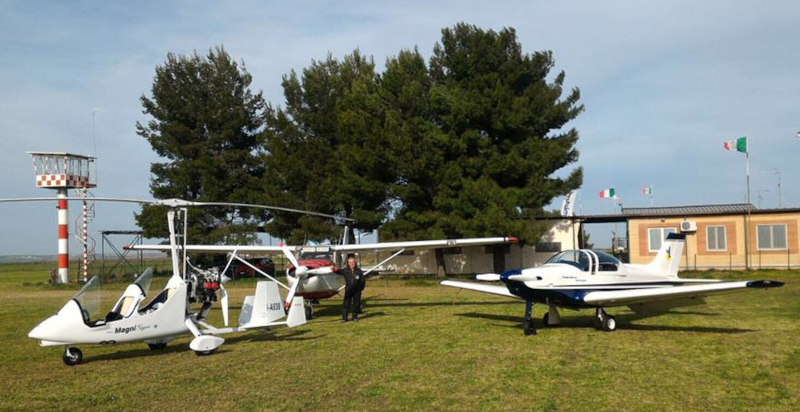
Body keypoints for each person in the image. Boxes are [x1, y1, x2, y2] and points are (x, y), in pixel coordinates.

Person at [337, 255, 365, 322]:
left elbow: (363, 281)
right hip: (348, 290)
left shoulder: (359, 271)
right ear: (348, 263)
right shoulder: (345, 270)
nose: (352, 264)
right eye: (350, 262)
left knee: (356, 304)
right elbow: (337, 271)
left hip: (357, 291)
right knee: (346, 304)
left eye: (353, 262)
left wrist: (360, 288)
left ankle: (355, 317)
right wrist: (333, 268)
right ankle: (344, 317)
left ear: (355, 263)